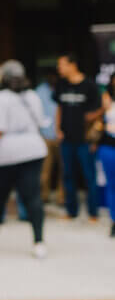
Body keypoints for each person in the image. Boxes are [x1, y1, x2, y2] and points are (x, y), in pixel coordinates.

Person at [0, 60, 48, 258]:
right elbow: (40, 122)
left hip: (7, 153)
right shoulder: (33, 96)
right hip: (34, 149)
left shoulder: (0, 98)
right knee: (33, 197)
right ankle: (39, 241)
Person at [54, 53, 102, 220]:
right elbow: (59, 108)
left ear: (72, 65)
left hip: (85, 140)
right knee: (68, 175)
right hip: (66, 139)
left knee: (89, 175)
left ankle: (93, 212)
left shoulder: (89, 85)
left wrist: (90, 120)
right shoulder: (61, 84)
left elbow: (99, 109)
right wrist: (58, 128)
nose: (59, 68)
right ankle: (71, 211)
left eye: (62, 64)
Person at [35, 70, 62, 204]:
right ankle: (44, 196)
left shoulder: (62, 89)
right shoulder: (39, 91)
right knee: (45, 169)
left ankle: (61, 198)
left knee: (64, 171)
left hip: (60, 135)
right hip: (45, 134)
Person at [96, 73, 115, 237]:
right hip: (109, 146)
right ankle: (114, 220)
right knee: (112, 185)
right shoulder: (107, 98)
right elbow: (100, 121)